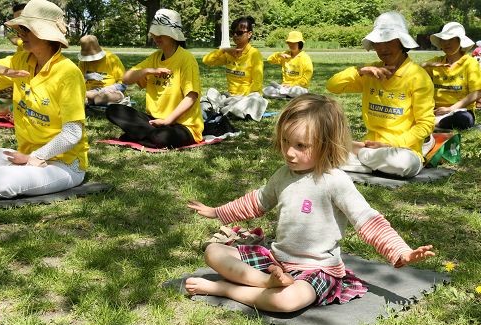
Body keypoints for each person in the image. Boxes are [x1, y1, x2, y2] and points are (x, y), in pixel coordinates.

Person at [186, 94, 435, 313]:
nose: (289, 152)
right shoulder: (283, 175)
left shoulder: (335, 181)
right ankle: (264, 284)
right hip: (278, 261)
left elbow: (368, 221)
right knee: (214, 251)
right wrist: (217, 212)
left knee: (287, 301)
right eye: (285, 142)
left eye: (301, 146)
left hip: (317, 270)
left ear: (327, 145)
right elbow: (257, 201)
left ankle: (225, 289)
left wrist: (401, 251)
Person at [0, 0, 89, 198]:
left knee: (0, 182)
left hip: (63, 164)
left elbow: (72, 134)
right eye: (20, 29)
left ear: (47, 35)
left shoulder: (68, 73)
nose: (20, 34)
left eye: (26, 29)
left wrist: (35, 157)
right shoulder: (21, 60)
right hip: (25, 158)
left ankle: (1, 175)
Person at [326, 12, 435, 178]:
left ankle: (356, 156)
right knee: (323, 150)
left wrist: (390, 144)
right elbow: (333, 86)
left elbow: (425, 124)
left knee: (403, 163)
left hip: (403, 150)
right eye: (378, 42)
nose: (383, 48)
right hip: (370, 146)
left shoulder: (418, 77)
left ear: (401, 43)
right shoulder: (371, 72)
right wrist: (359, 72)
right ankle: (361, 158)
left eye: (389, 41)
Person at [105, 9, 203, 149]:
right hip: (153, 121)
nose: (156, 37)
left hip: (183, 126)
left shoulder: (187, 59)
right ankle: (147, 136)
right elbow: (126, 79)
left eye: (161, 33)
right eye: (155, 33)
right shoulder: (155, 58)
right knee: (113, 110)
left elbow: (191, 97)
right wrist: (149, 71)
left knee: (161, 137)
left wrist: (167, 120)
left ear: (173, 34)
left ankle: (141, 136)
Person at [201, 16, 267, 121]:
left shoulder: (254, 54)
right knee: (211, 93)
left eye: (240, 33)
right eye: (233, 33)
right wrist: (223, 50)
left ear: (249, 34)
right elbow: (207, 61)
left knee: (254, 100)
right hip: (230, 97)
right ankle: (228, 110)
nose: (235, 35)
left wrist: (242, 98)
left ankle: (223, 109)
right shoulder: (229, 53)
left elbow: (257, 83)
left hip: (247, 97)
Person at [421, 23, 481, 130]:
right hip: (435, 110)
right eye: (443, 40)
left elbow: (476, 93)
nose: (447, 43)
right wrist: (426, 65)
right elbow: (411, 72)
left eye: (451, 39)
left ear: (460, 41)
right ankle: (434, 123)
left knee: (463, 120)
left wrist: (451, 108)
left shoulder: (470, 63)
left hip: (461, 111)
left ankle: (431, 124)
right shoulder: (436, 62)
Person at [78, 35, 127, 106]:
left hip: (108, 92)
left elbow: (123, 83)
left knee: (107, 96)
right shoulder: (83, 62)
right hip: (89, 91)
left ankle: (89, 98)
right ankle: (92, 98)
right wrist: (86, 76)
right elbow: (78, 82)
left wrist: (111, 88)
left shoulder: (111, 59)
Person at [263, 31, 313, 98]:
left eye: (294, 43)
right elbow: (270, 60)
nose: (291, 45)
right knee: (265, 90)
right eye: (289, 43)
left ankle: (282, 92)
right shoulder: (285, 54)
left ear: (300, 44)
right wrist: (279, 55)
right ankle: (285, 93)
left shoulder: (305, 58)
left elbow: (306, 78)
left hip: (299, 87)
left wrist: (292, 85)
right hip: (284, 86)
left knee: (296, 90)